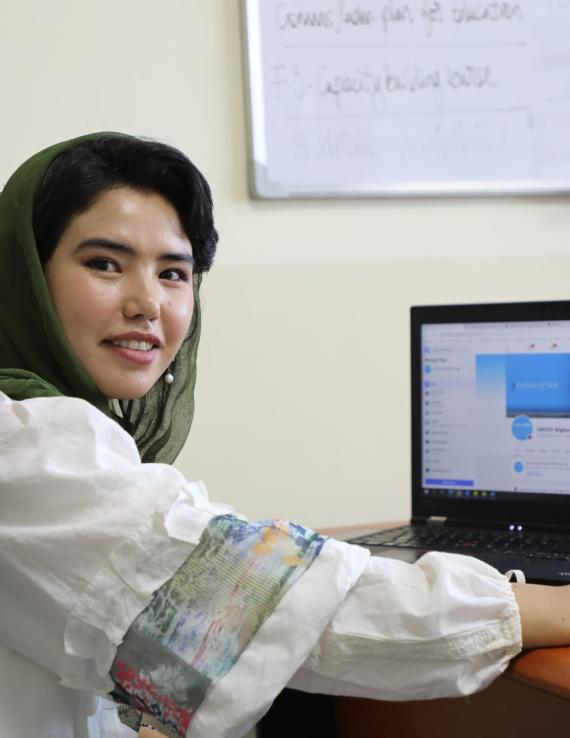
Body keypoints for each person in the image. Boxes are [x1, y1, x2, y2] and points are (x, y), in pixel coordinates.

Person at [0, 132, 568, 738]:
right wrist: (546, 606)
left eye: (173, 273)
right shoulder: (27, 444)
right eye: (105, 264)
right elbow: (270, 609)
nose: (148, 303)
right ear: (24, 271)